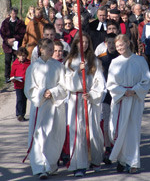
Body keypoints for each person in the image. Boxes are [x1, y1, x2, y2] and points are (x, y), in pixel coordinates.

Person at [107, 34, 150, 173]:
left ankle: (133, 162)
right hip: (120, 100)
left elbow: (147, 79)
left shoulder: (139, 60)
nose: (119, 47)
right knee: (118, 131)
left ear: (128, 43)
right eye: (117, 45)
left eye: (122, 44)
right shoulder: (115, 62)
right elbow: (110, 83)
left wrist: (135, 90)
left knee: (132, 131)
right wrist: (122, 91)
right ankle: (121, 159)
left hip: (134, 100)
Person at [24, 38, 67, 179]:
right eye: (47, 48)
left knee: (52, 136)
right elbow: (29, 88)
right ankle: (39, 167)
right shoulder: (33, 67)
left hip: (54, 106)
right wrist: (42, 93)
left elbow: (64, 85)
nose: (50, 50)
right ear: (40, 49)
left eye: (51, 48)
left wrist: (53, 92)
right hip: (40, 105)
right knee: (39, 135)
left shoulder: (58, 66)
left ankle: (50, 164)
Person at [64, 33, 105, 177]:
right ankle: (79, 164)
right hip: (76, 99)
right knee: (78, 132)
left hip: (90, 100)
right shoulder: (69, 61)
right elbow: (66, 83)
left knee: (93, 130)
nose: (84, 45)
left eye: (87, 42)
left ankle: (94, 159)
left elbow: (100, 82)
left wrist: (92, 94)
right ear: (75, 44)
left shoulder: (94, 60)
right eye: (81, 43)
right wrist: (77, 72)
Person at [97, 33, 119, 164]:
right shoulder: (100, 58)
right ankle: (107, 148)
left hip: (117, 94)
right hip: (105, 96)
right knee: (105, 123)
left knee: (116, 122)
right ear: (105, 43)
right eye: (109, 43)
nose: (111, 46)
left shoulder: (120, 58)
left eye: (113, 43)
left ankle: (117, 145)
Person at [0, 7, 26, 83]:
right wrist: (7, 40)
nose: (14, 15)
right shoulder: (5, 22)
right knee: (7, 60)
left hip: (17, 44)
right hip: (7, 45)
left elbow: (22, 33)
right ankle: (7, 77)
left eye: (15, 13)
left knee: (16, 60)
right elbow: (2, 32)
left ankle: (16, 75)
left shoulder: (20, 23)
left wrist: (14, 39)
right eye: (12, 13)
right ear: (10, 13)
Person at [10, 47, 30, 121]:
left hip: (26, 84)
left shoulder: (29, 63)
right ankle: (18, 114)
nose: (22, 57)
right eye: (20, 55)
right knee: (19, 99)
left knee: (24, 100)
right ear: (17, 56)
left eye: (24, 56)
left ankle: (22, 114)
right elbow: (12, 74)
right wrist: (13, 79)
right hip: (18, 85)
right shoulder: (15, 64)